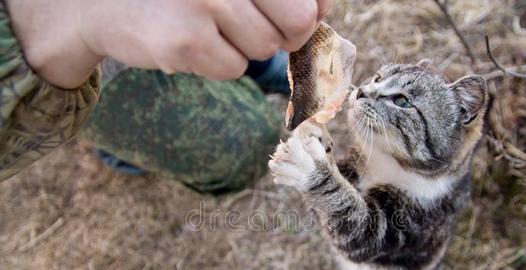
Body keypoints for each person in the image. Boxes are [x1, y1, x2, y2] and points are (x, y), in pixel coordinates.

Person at [0, 0, 333, 193]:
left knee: (238, 36)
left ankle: (254, 62)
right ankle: (117, 150)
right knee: (242, 147)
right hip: (56, 48)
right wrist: (58, 17)